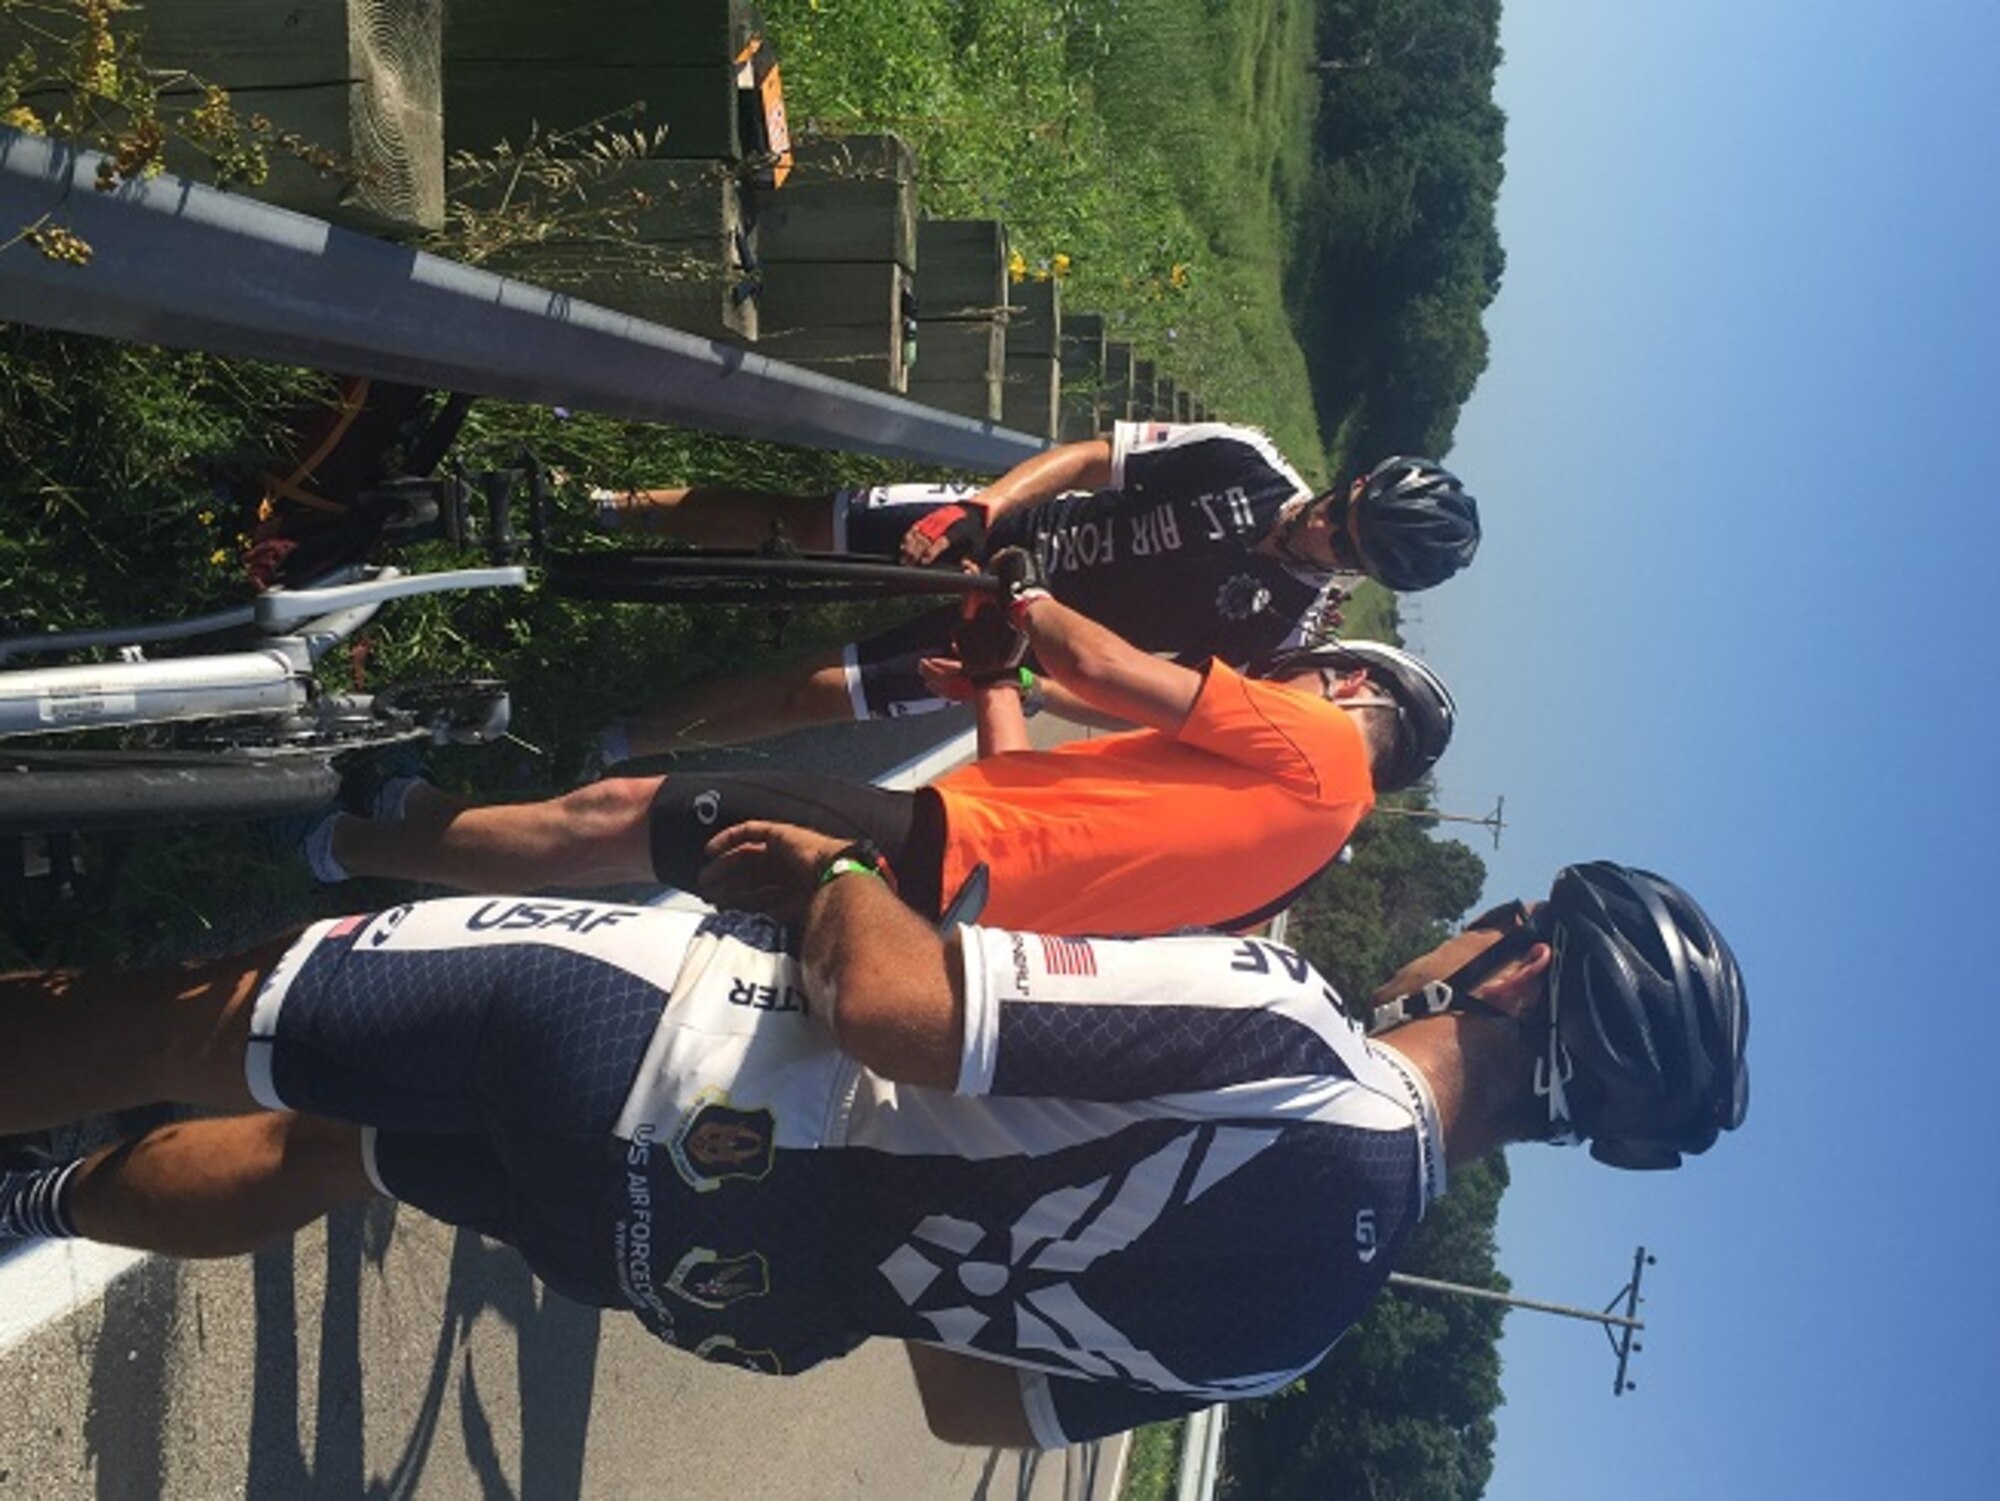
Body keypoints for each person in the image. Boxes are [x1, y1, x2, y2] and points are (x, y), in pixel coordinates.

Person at [0, 841, 1748, 1448]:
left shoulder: (1300, 1036)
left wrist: (832, 879)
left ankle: (38, 1152)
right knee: (335, 1154)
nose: (1463, 926)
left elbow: (900, 1006)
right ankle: (49, 1195)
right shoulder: (1302, 1337)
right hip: (713, 1277)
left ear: (1522, 968)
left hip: (658, 1052)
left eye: (1499, 916)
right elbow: (972, 1401)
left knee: (194, 1008)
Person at [304, 552, 1457, 937]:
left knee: (620, 819)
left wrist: (1028, 592)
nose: (1275, 680)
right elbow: (1022, 795)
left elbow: (1106, 671)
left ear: (1349, 679)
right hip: (952, 922)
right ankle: (405, 817)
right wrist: (999, 682)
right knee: (654, 881)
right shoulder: (1287, 853)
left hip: (928, 852)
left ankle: (350, 841)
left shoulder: (1323, 744)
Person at [584, 422, 1480, 752]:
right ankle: (607, 506)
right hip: (1014, 532)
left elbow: (1148, 703)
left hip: (1016, 638)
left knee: (813, 694)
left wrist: (1027, 689)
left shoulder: (1280, 633)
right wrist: (982, 507)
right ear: (1353, 482)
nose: (1329, 535)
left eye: (1352, 551)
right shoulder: (1247, 459)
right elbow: (1097, 457)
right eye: (1346, 514)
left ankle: (619, 738)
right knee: (806, 519)